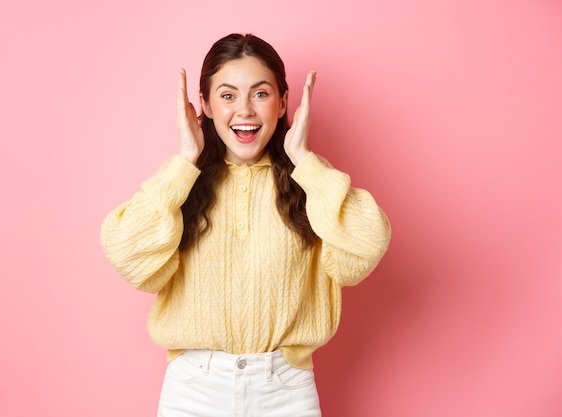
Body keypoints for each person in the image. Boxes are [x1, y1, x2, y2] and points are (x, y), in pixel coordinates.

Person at [101, 33, 391, 417]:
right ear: (203, 104)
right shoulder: (182, 185)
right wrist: (186, 159)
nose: (245, 111)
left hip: (286, 392)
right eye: (227, 95)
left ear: (283, 102)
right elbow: (128, 255)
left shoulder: (311, 185)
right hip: (193, 392)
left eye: (260, 94)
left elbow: (367, 245)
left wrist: (305, 160)